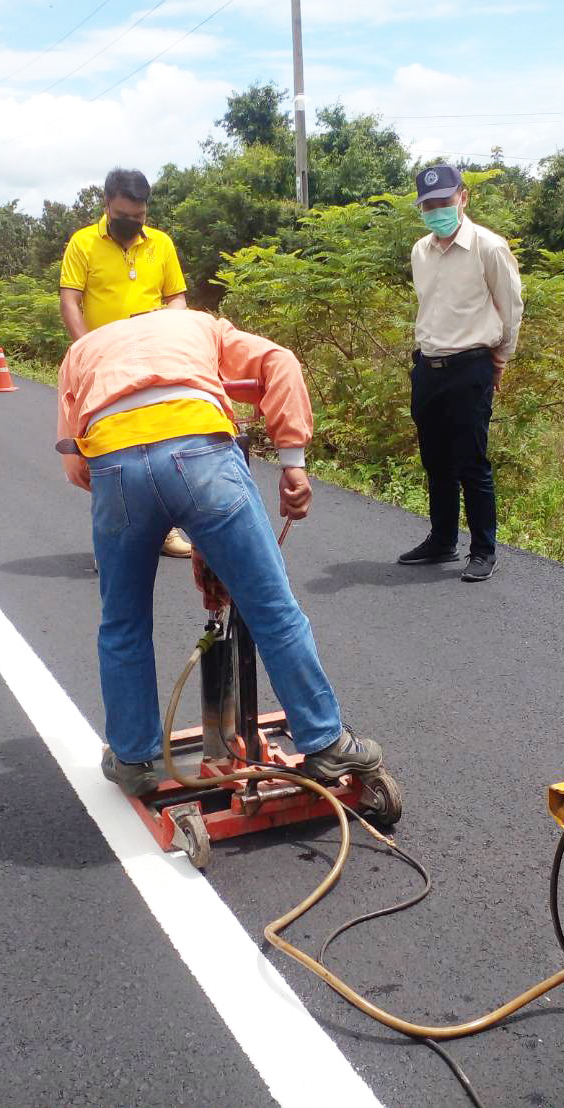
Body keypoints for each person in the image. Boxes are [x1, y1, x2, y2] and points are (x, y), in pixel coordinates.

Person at [55, 308, 383, 796]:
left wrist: (134, 491)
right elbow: (279, 362)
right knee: (271, 606)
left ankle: (133, 757)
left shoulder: (83, 350)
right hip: (201, 453)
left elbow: (76, 465)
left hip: (116, 466)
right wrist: (292, 462)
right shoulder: (199, 325)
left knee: (123, 622)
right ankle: (325, 741)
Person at [60, 168, 193, 559]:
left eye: (139, 216)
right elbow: (70, 301)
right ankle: (114, 541)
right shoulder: (83, 243)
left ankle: (165, 530)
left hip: (154, 362)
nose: (131, 223)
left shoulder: (161, 244)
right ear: (106, 204)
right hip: (102, 365)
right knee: (108, 452)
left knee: (162, 444)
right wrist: (86, 350)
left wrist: (167, 327)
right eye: (123, 216)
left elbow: (177, 297)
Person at [399, 163, 523, 582]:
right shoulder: (420, 251)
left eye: (444, 201)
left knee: (472, 462)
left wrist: (500, 360)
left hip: (471, 366)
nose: (436, 210)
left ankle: (484, 550)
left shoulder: (489, 247)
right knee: (435, 461)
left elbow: (511, 308)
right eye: (428, 204)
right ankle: (442, 540)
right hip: (427, 366)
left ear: (463, 198)